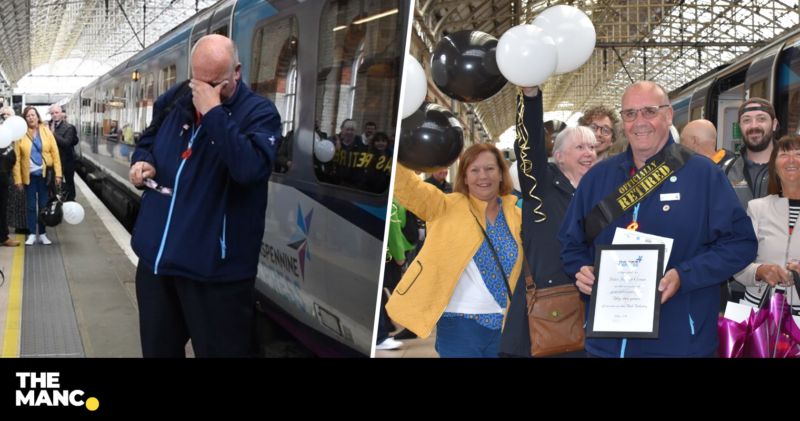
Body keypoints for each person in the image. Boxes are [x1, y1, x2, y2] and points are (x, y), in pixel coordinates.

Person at [558, 81, 758, 358]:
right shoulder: (597, 178)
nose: (639, 122)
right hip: (606, 345)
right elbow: (571, 242)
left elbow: (740, 244)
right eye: (630, 114)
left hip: (680, 344)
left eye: (649, 111)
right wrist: (581, 269)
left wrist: (683, 275)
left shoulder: (704, 175)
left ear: (668, 115)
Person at [128, 34, 282, 358]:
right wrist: (142, 160)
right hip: (157, 263)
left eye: (215, 84)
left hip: (215, 274)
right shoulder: (175, 99)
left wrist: (213, 113)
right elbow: (148, 137)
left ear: (236, 71)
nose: (203, 91)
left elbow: (249, 169)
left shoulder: (260, 114)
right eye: (198, 81)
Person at [386, 143, 522, 358]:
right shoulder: (445, 206)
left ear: (501, 174)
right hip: (459, 325)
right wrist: (402, 145)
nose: (483, 176)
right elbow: (405, 184)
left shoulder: (518, 216)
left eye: (490, 168)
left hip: (508, 327)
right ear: (465, 178)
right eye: (474, 170)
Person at [499, 86, 597, 358]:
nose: (588, 153)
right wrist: (531, 98)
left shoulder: (600, 192)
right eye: (580, 147)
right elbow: (530, 145)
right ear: (560, 156)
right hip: (549, 308)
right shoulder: (540, 187)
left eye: (592, 147)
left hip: (589, 305)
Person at [733, 134, 800, 314]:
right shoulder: (757, 208)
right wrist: (759, 271)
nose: (791, 159)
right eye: (784, 154)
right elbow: (737, 263)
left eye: (799, 154)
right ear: (774, 167)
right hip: (760, 311)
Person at [722, 99, 778, 306]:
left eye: (761, 119)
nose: (754, 126)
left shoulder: (791, 169)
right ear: (740, 127)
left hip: (783, 285)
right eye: (747, 120)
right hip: (736, 285)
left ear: (774, 124)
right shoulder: (725, 172)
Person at [13, 107, 62, 246]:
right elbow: (17, 159)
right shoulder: (20, 134)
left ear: (37, 116)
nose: (31, 118)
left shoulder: (46, 132)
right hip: (28, 176)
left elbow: (55, 154)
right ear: (25, 118)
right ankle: (31, 234)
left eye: (33, 115)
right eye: (28, 116)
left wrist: (58, 174)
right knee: (30, 206)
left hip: (44, 176)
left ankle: (42, 233)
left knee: (43, 206)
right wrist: (18, 180)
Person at [2, 107, 27, 236]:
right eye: (3, 114)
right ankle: (4, 226)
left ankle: (18, 224)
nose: (5, 116)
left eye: (8, 114)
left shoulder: (18, 133)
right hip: (3, 170)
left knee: (16, 198)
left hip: (15, 170)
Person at [49, 104, 79, 202]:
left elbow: (66, 143)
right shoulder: (46, 126)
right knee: (53, 183)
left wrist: (53, 134)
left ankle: (71, 200)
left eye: (56, 112)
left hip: (66, 160)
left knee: (69, 181)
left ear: (61, 113)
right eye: (52, 113)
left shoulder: (69, 127)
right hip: (52, 161)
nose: (54, 115)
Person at [0, 116, 18, 247]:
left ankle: (3, 236)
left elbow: (11, 156)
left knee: (2, 208)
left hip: (2, 176)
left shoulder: (4, 133)